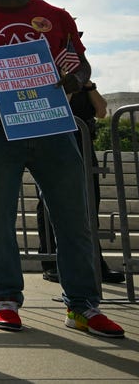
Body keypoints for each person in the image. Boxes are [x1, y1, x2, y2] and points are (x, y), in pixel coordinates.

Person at [0, 0, 124, 338]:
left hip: (52, 122)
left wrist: (77, 79)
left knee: (73, 217)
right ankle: (5, 300)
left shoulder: (55, 16)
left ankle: (83, 306)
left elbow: (78, 60)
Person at [37, 75, 124, 284]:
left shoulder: (84, 84)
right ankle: (51, 262)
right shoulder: (51, 80)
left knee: (90, 205)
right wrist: (69, 87)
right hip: (55, 145)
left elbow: (102, 111)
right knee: (50, 205)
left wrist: (89, 86)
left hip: (83, 144)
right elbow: (59, 109)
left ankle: (95, 263)